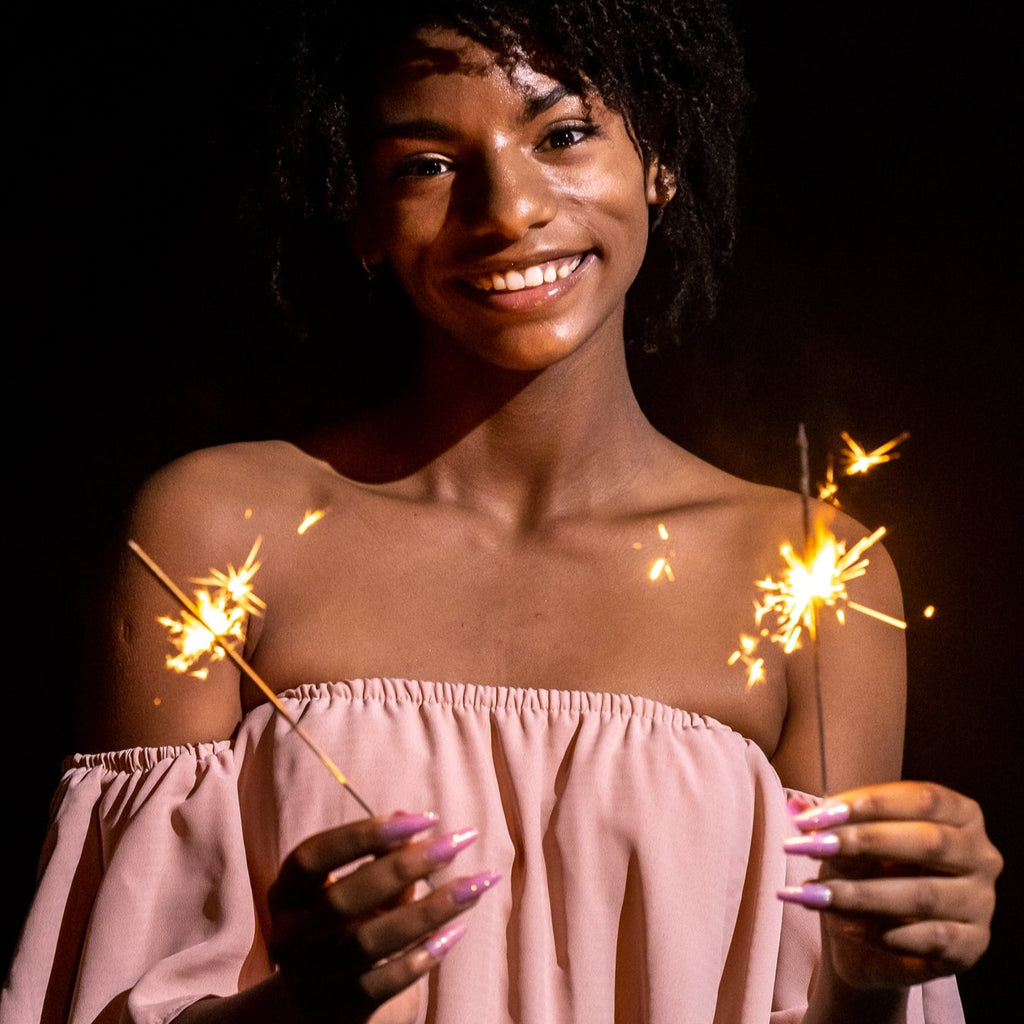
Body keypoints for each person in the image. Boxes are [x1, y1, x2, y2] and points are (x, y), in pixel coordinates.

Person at [1, 1, 1002, 1022]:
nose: (508, 208)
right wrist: (298, 1004)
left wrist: (882, 974)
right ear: (361, 214)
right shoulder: (215, 534)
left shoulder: (813, 571)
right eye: (427, 164)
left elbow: (834, 992)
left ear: (658, 159)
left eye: (563, 135)